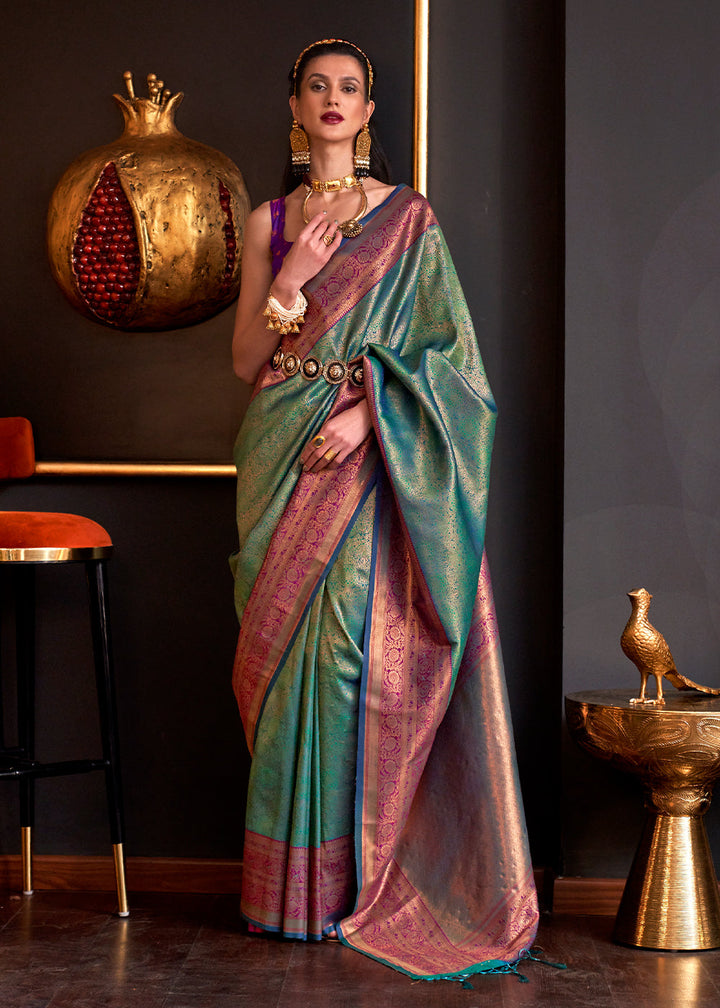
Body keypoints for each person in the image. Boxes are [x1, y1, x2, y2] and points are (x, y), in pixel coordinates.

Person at [230, 38, 538, 982]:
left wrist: (369, 418)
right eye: (317, 86)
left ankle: (341, 893)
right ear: (296, 106)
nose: (333, 99)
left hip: (369, 457)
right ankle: (280, 899)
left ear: (369, 113)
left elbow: (456, 364)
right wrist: (289, 281)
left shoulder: (408, 221)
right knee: (283, 668)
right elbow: (245, 361)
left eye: (350, 88)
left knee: (343, 662)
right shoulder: (269, 219)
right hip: (279, 447)